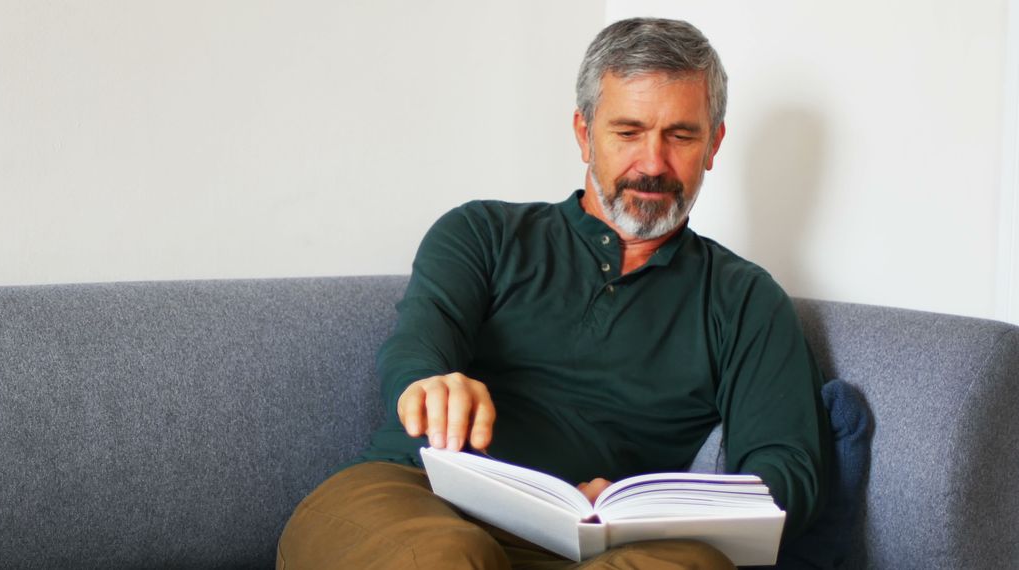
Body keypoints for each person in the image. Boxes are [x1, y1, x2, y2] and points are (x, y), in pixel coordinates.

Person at [277, 17, 831, 570]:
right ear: (584, 134)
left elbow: (787, 475)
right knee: (449, 557)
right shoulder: (482, 234)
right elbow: (419, 342)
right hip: (414, 498)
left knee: (693, 563)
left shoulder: (746, 301)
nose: (653, 164)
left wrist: (648, 510)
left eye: (680, 135)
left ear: (713, 144)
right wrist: (428, 384)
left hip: (595, 542)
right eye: (628, 131)